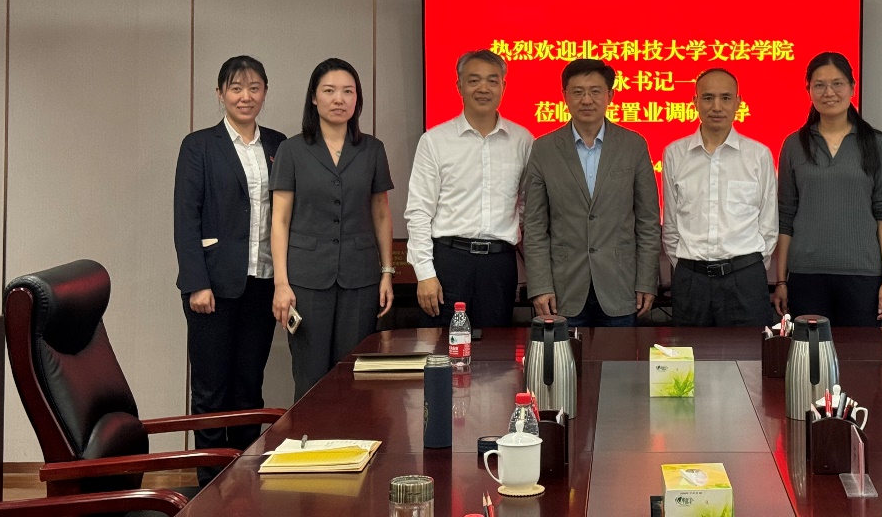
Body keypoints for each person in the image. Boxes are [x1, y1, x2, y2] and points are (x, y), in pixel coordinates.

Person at [173, 55, 284, 484]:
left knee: (248, 387)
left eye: (254, 87)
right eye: (236, 88)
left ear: (265, 92)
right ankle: (209, 485)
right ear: (220, 94)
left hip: (262, 282)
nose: (245, 96)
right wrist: (197, 283)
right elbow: (187, 218)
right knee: (211, 391)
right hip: (213, 288)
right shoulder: (199, 145)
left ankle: (244, 480)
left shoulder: (278, 145)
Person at [270, 58, 395, 399]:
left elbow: (381, 214)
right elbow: (280, 220)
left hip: (360, 277)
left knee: (356, 377)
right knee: (310, 377)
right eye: (329, 91)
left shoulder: (372, 149)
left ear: (357, 99)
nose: (339, 99)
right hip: (306, 279)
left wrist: (387, 272)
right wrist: (281, 283)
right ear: (314, 97)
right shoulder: (291, 150)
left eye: (348, 91)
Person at [522, 58, 660, 327]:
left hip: (621, 284)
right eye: (578, 92)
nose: (586, 100)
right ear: (564, 96)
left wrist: (646, 281)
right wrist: (540, 285)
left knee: (620, 355)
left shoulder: (633, 145)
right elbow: (535, 226)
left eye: (595, 91)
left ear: (610, 95)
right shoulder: (544, 149)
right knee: (566, 356)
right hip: (563, 288)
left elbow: (648, 221)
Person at [404, 48, 533, 328]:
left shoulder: (523, 140)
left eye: (492, 81)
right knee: (441, 347)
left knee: (496, 349)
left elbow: (525, 203)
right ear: (459, 86)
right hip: (449, 262)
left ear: (503, 86)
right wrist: (425, 273)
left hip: (499, 265)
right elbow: (419, 211)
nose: (483, 88)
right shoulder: (435, 140)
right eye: (474, 80)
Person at [773, 51, 882, 327]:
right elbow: (785, 216)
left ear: (852, 87)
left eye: (837, 83)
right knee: (809, 352)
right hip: (806, 275)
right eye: (819, 85)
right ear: (808, 90)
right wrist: (781, 281)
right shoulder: (794, 144)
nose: (829, 92)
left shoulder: (876, 143)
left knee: (860, 352)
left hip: (863, 276)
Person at [662, 68, 777, 326]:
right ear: (695, 102)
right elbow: (670, 225)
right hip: (691, 280)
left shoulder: (758, 155)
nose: (716, 106)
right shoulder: (674, 154)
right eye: (708, 98)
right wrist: (689, 268)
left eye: (725, 98)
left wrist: (747, 268)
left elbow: (768, 226)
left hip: (745, 278)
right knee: (689, 350)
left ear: (738, 102)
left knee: (750, 351)